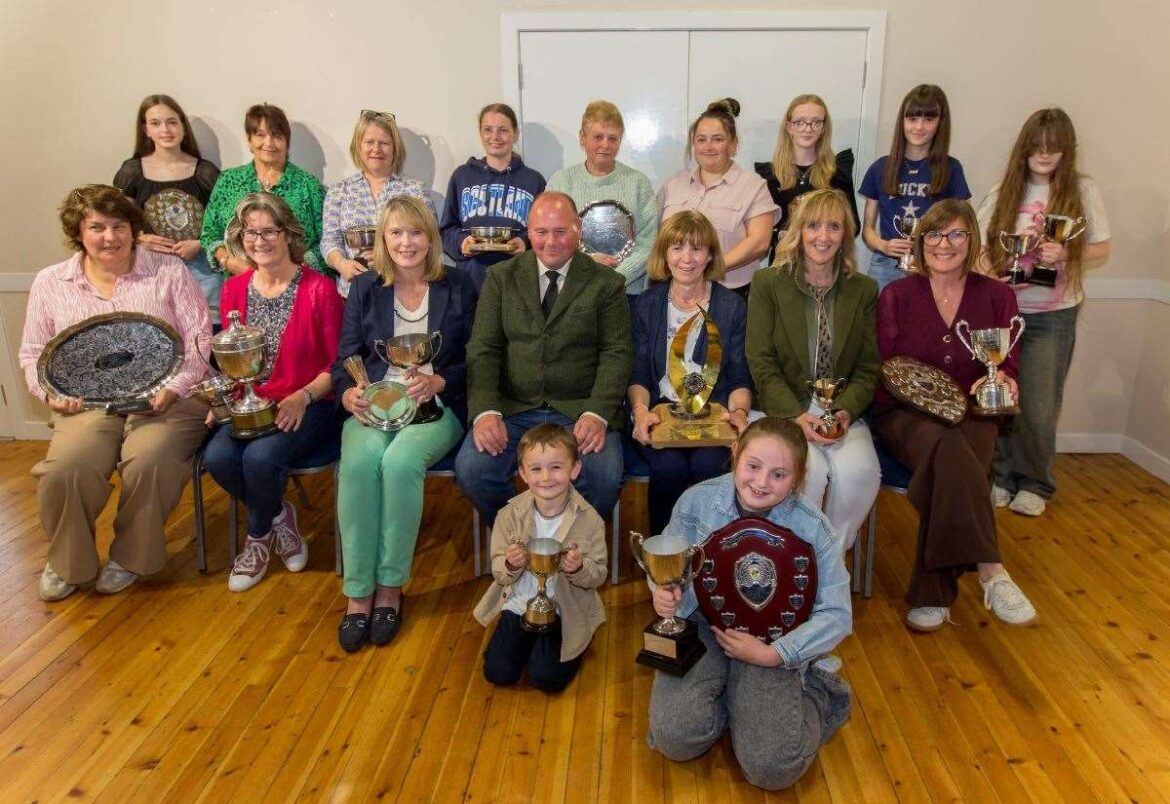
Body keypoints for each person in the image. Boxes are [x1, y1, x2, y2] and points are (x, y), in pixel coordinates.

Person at [18, 185, 211, 601]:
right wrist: (50, 393)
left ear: (132, 228)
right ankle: (68, 561)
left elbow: (199, 339)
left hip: (167, 397)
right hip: (86, 403)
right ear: (78, 232)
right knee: (64, 469)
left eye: (119, 226)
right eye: (97, 227)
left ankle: (130, 559)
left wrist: (175, 388)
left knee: (150, 458)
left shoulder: (168, 270)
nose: (110, 237)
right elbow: (33, 353)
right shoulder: (51, 282)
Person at [645, 417, 852, 791]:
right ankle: (734, 695)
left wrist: (776, 654)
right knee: (674, 737)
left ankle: (819, 690)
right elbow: (667, 563)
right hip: (705, 621)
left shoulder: (813, 528)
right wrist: (664, 590)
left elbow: (837, 614)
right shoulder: (696, 502)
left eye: (779, 474)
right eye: (753, 466)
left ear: (798, 477)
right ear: (735, 454)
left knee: (773, 769)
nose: (761, 482)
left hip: (774, 637)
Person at [874, 198, 1037, 632]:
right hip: (905, 415)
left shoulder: (997, 296)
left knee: (951, 461)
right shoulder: (896, 295)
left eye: (956, 234)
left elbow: (1008, 364)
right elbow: (884, 368)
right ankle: (991, 569)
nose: (944, 244)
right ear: (921, 240)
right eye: (934, 233)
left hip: (974, 411)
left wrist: (1005, 380)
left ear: (971, 239)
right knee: (949, 448)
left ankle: (933, 594)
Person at [332, 196, 478, 652]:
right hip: (375, 406)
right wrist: (348, 392)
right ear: (383, 238)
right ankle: (359, 593)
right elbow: (345, 358)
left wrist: (439, 380)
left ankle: (391, 588)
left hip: (438, 405)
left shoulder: (459, 284)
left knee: (398, 465)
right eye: (395, 232)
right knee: (359, 466)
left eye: (416, 232)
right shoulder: (364, 287)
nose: (406, 242)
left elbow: (479, 356)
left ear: (431, 238)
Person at [455, 191, 632, 525]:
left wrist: (597, 413)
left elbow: (617, 352)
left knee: (604, 477)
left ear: (579, 229)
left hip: (580, 409)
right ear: (528, 231)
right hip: (513, 408)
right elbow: (483, 349)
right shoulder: (501, 278)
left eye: (560, 231)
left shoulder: (607, 283)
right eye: (541, 232)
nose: (550, 242)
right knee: (472, 471)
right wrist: (485, 411)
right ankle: (520, 536)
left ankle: (572, 544)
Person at [204, 193, 344, 593]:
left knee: (261, 458)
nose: (259, 240)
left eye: (269, 231)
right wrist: (222, 401)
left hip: (309, 403)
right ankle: (280, 515)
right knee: (218, 458)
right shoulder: (234, 289)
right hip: (251, 404)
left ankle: (257, 540)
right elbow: (232, 364)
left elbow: (338, 366)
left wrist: (303, 396)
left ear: (288, 234)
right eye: (250, 233)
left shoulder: (320, 289)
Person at [976, 108, 1111, 518]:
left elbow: (1102, 247)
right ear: (1025, 148)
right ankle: (1000, 477)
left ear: (1066, 150)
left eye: (1054, 147)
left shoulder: (1082, 191)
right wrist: (990, 271)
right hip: (1004, 315)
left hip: (1052, 316)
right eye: (1038, 146)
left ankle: (1035, 482)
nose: (1046, 154)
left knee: (1038, 406)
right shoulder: (1003, 192)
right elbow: (978, 247)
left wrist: (1066, 253)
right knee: (999, 398)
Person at [746, 189, 880, 551]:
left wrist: (844, 412)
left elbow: (868, 367)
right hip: (783, 408)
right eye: (813, 226)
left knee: (860, 473)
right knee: (808, 472)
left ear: (845, 234)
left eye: (834, 227)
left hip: (842, 413)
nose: (823, 236)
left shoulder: (863, 290)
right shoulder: (769, 283)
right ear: (799, 231)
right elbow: (760, 359)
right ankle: (793, 560)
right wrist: (795, 414)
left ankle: (829, 560)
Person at [629, 210, 752, 535]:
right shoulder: (646, 305)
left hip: (713, 416)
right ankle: (663, 553)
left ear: (710, 255)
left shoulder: (732, 307)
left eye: (697, 248)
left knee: (708, 465)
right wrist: (640, 413)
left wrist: (739, 415)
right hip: (661, 414)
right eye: (677, 247)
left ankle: (709, 553)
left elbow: (739, 376)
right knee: (668, 468)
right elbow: (639, 375)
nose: (686, 258)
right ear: (664, 254)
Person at [473, 424, 608, 692]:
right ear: (523, 473)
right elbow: (499, 572)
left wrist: (579, 567)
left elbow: (598, 575)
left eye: (556, 467)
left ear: (575, 469)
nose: (546, 477)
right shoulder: (508, 516)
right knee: (498, 672)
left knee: (547, 678)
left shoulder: (590, 519)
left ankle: (578, 637)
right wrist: (510, 563)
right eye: (536, 469)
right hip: (518, 604)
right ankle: (527, 642)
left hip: (563, 609)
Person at [113, 94, 223, 317]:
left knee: (207, 328)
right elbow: (117, 220)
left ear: (183, 126)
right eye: (156, 123)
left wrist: (200, 243)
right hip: (151, 268)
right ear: (146, 129)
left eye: (172, 122)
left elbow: (226, 221)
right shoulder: (131, 171)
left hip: (202, 270)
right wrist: (139, 238)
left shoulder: (206, 172)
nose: (165, 130)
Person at [659, 98, 778, 299]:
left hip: (731, 295)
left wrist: (710, 267)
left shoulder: (753, 187)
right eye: (701, 139)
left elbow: (759, 243)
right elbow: (660, 240)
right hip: (676, 293)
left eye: (717, 139)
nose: (708, 146)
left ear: (734, 144)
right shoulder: (672, 185)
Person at [859, 85, 971, 290]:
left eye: (928, 119)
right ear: (902, 121)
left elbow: (961, 228)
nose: (919, 127)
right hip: (886, 264)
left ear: (940, 123)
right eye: (912, 119)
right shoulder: (880, 168)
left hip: (933, 264)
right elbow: (867, 230)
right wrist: (883, 245)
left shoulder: (952, 169)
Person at [200, 103, 328, 277]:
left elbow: (328, 240)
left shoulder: (308, 185)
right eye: (260, 135)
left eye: (277, 136)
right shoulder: (228, 181)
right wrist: (228, 261)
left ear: (287, 142)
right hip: (241, 283)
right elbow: (209, 234)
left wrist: (296, 267)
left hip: (299, 283)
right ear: (249, 140)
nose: (269, 143)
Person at [547, 101, 658, 297]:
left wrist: (615, 279)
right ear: (582, 138)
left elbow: (649, 242)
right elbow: (550, 238)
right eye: (598, 137)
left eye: (613, 138)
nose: (605, 145)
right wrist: (582, 265)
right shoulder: (560, 183)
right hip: (572, 292)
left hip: (625, 294)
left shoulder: (639, 184)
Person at [321, 109, 436, 298]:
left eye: (384, 143)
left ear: (395, 148)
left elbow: (431, 240)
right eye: (369, 142)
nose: (376, 149)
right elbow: (329, 240)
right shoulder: (339, 191)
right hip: (353, 294)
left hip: (404, 293)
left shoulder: (416, 191)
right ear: (358, 146)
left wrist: (389, 257)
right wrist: (341, 264)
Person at [440, 103, 547, 290]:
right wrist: (461, 242)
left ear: (515, 134)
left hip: (519, 280)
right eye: (488, 130)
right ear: (480, 133)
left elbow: (544, 230)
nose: (495, 137)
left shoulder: (533, 180)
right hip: (470, 282)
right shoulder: (462, 176)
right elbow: (446, 231)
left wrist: (525, 242)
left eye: (503, 130)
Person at [755, 93, 860, 264]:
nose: (808, 129)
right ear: (789, 127)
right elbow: (761, 233)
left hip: (826, 264)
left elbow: (852, 227)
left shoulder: (837, 174)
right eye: (800, 122)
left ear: (824, 128)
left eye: (816, 122)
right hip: (784, 265)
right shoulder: (769, 176)